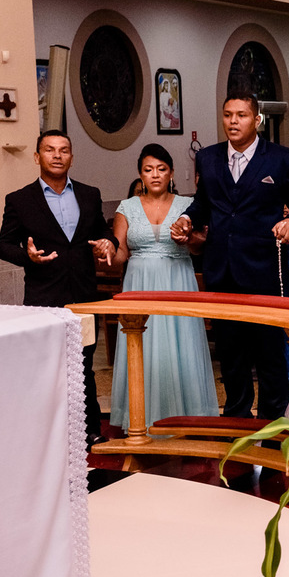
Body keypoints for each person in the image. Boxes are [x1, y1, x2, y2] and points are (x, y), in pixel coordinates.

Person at [169, 91, 289, 421]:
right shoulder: (208, 157)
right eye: (228, 115)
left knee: (269, 353)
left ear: (257, 120)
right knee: (230, 352)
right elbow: (203, 202)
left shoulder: (282, 158)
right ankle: (236, 419)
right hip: (221, 268)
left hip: (264, 268)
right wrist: (188, 219)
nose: (233, 121)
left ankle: (273, 424)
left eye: (241, 115)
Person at [0, 130, 118, 444]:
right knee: (46, 368)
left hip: (84, 296)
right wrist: (28, 257)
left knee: (84, 365)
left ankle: (89, 429)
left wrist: (109, 241)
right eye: (49, 150)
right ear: (37, 157)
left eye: (64, 150)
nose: (57, 155)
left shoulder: (89, 194)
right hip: (43, 297)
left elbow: (103, 229)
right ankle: (48, 433)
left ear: (71, 157)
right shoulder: (20, 200)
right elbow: (3, 245)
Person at [107, 144, 216, 429]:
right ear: (140, 175)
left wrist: (189, 240)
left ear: (171, 173)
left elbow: (199, 248)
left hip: (177, 280)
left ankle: (188, 417)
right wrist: (106, 251)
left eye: (161, 169)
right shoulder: (126, 207)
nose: (155, 175)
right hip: (139, 284)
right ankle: (142, 418)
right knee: (141, 346)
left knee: (181, 347)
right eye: (148, 169)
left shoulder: (187, 206)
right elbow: (121, 254)